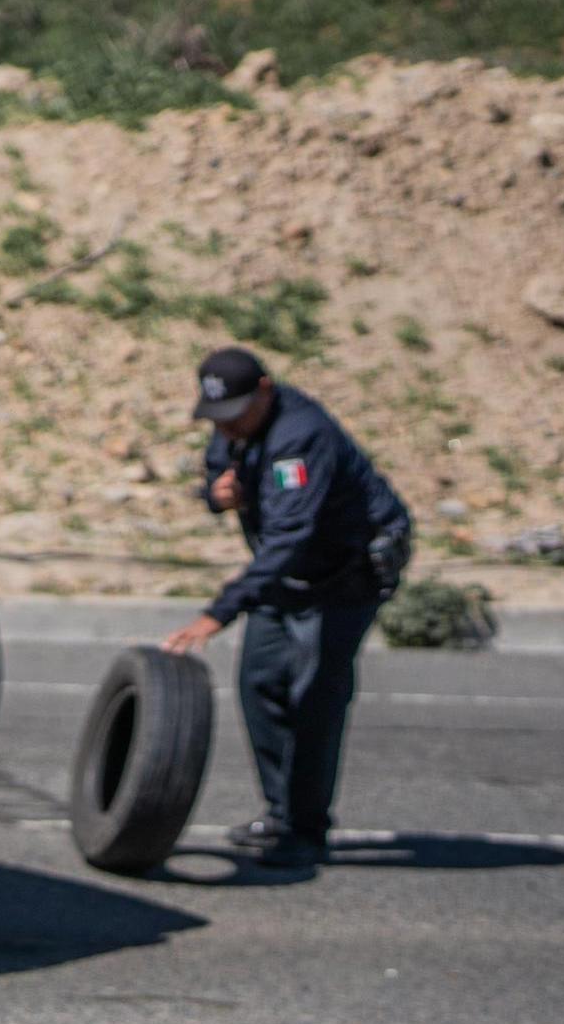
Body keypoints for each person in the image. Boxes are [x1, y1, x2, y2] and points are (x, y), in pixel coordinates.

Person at [157, 345, 410, 870]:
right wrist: (215, 494)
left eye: (234, 416)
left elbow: (290, 535)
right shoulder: (236, 423)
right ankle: (281, 813)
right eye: (216, 419)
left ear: (265, 391)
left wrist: (220, 612)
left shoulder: (301, 436)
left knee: (314, 698)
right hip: (287, 576)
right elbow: (217, 473)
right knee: (260, 683)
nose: (225, 429)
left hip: (344, 573)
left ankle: (306, 830)